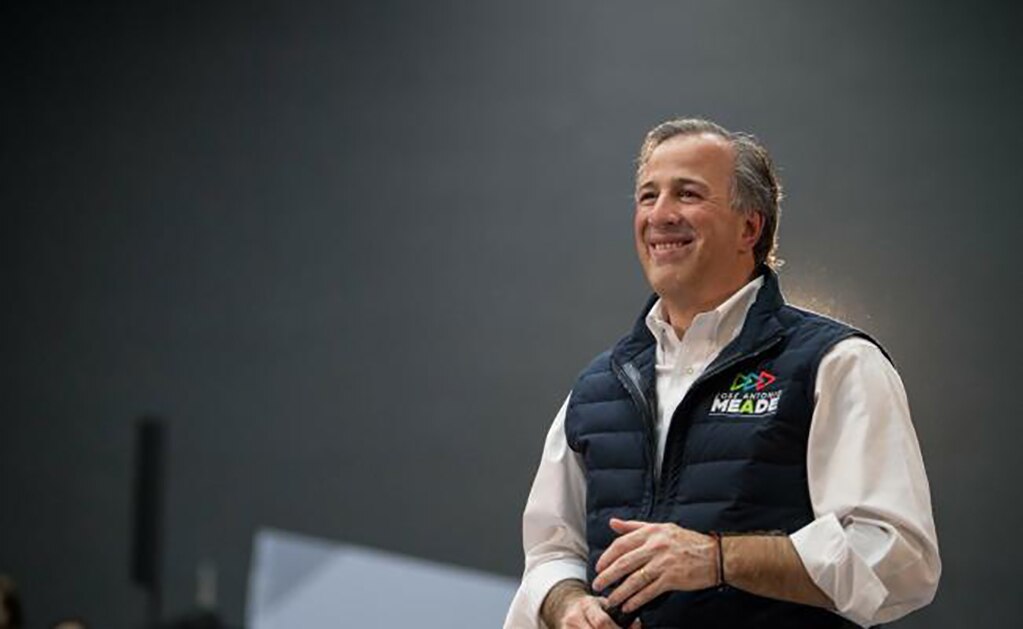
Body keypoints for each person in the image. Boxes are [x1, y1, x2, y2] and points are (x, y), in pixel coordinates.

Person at [503, 118, 940, 629]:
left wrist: (717, 559)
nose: (660, 215)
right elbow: (552, 552)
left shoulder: (835, 363)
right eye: (647, 196)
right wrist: (567, 605)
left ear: (750, 228)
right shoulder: (599, 386)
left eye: (687, 194)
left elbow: (896, 557)